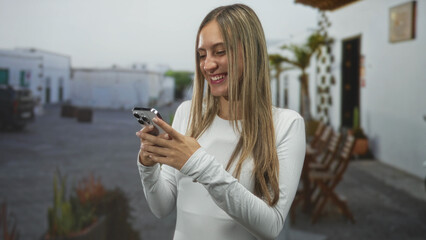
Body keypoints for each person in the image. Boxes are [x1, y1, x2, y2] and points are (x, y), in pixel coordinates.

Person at [135, 4, 305, 240]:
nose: (207, 65)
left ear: (251, 51)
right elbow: (161, 208)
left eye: (220, 51)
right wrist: (148, 165)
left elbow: (272, 225)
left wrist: (198, 163)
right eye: (202, 54)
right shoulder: (187, 113)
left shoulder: (287, 125)